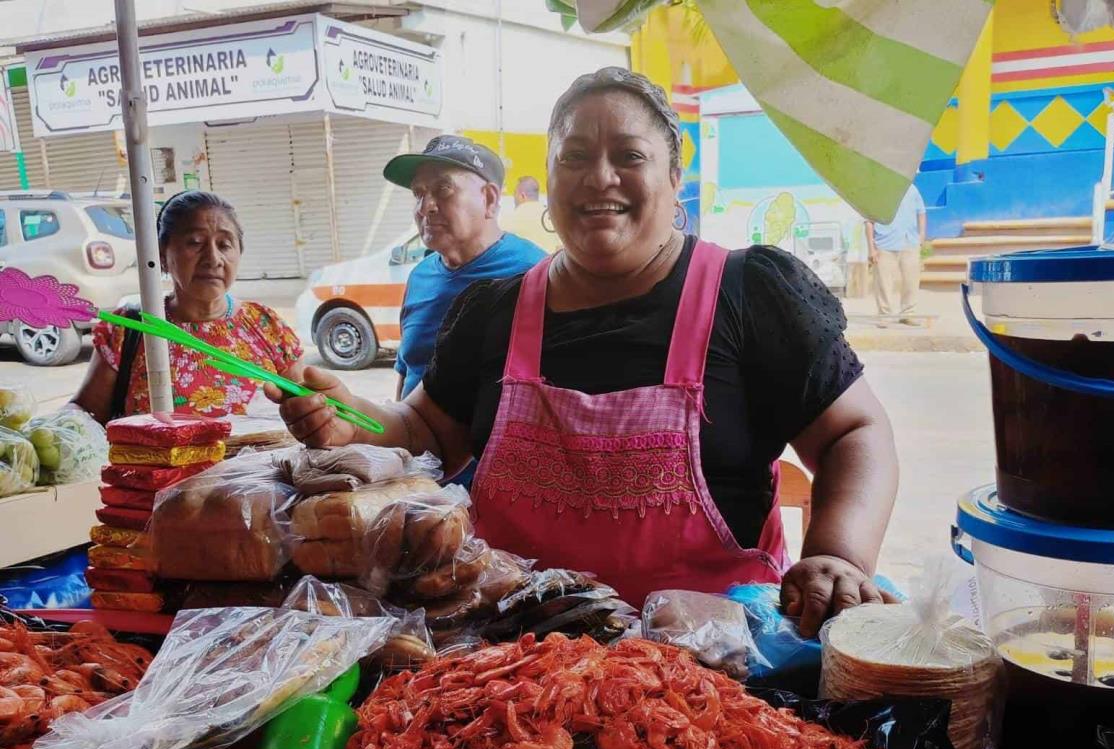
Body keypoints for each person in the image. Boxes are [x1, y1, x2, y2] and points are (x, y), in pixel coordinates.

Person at [269, 68, 899, 637]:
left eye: (629, 155)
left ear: (674, 178)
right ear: (546, 182)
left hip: (716, 673)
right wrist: (355, 414)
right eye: (574, 156)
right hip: (511, 667)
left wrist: (838, 555)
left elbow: (855, 432)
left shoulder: (750, 294)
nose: (600, 177)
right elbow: (428, 429)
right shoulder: (493, 310)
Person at [73, 191, 302, 422]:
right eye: (195, 243)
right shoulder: (130, 329)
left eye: (224, 245)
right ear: (162, 255)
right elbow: (85, 413)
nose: (213, 258)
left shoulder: (265, 326)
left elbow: (306, 410)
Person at [387, 137, 546, 405]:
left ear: (489, 198)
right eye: (419, 193)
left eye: (443, 188)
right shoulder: (420, 277)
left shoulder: (535, 275)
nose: (425, 207)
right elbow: (408, 367)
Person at [865, 184, 926, 327]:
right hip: (884, 244)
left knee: (911, 281)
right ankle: (885, 315)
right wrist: (871, 248)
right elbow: (869, 222)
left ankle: (908, 314)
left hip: (909, 241)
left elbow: (921, 212)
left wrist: (922, 235)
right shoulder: (877, 192)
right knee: (883, 283)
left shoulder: (913, 189)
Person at [502, 175, 563, 253]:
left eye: (515, 194)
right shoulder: (553, 216)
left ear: (522, 195)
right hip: (551, 263)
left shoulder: (509, 219)